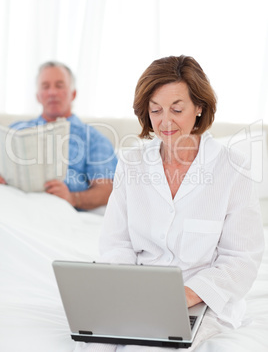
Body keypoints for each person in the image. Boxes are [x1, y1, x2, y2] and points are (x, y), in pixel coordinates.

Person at [74, 55, 265, 351]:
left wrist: (185, 295)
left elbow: (241, 259)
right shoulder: (132, 162)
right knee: (91, 344)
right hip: (136, 294)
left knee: (148, 345)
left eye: (177, 109)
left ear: (199, 107)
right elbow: (116, 244)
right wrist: (121, 291)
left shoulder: (233, 168)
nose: (165, 122)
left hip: (199, 300)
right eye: (156, 110)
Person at [0, 61, 117, 211]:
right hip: (12, 204)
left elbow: (105, 191)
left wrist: (72, 198)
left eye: (59, 85)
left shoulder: (94, 139)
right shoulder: (14, 131)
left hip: (58, 210)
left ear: (73, 94)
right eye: (45, 86)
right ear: (38, 96)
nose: (52, 92)